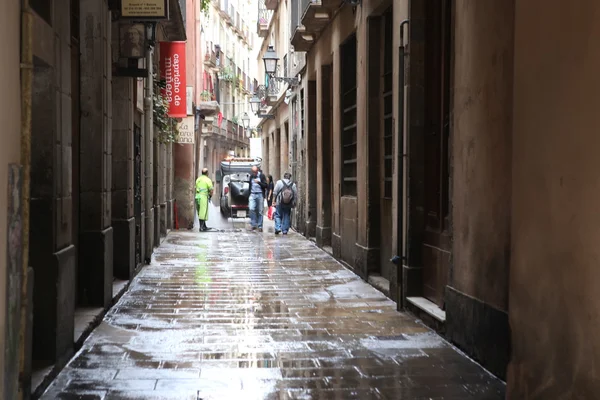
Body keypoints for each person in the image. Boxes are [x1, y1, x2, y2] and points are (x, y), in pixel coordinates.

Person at [248, 165, 268, 232]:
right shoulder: (251, 177)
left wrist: (259, 182)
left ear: (257, 171)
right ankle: (253, 224)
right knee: (251, 208)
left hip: (260, 195)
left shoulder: (262, 176)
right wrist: (249, 194)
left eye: (255, 172)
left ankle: (259, 226)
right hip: (252, 194)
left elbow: (266, 185)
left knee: (260, 211)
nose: (253, 173)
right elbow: (250, 186)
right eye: (252, 172)